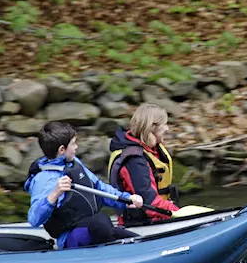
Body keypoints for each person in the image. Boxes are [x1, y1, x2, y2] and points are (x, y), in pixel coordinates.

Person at [24, 121, 144, 249]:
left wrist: (126, 199)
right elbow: (34, 219)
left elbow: (99, 188)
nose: (76, 147)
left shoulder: (73, 163)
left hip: (91, 227)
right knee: (101, 222)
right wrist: (54, 194)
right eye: (73, 143)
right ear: (62, 150)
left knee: (109, 226)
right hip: (69, 236)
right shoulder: (45, 179)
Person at [108, 103, 179, 225]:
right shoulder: (134, 161)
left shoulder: (153, 149)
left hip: (160, 216)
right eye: (164, 124)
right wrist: (179, 212)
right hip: (141, 222)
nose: (167, 129)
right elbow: (149, 202)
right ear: (152, 127)